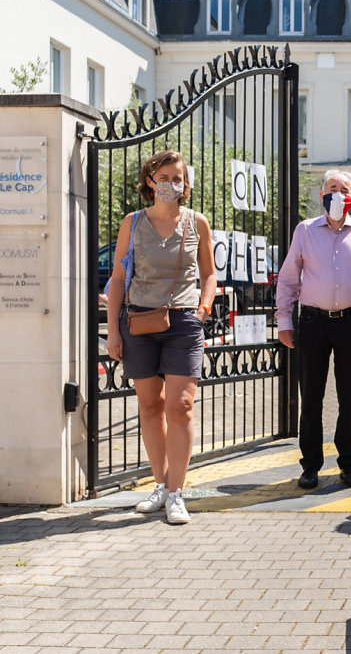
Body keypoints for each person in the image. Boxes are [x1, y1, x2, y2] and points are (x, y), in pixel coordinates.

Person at [106, 150, 216, 524]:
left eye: (178, 177)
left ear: (186, 182)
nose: (172, 183)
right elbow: (119, 278)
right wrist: (112, 331)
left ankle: (176, 493)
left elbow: (209, 274)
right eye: (164, 177)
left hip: (184, 323)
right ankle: (159, 484)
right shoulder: (133, 223)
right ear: (150, 182)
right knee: (151, 406)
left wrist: (202, 309)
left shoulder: (196, 222)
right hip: (139, 323)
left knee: (181, 405)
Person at [276, 169, 351, 491]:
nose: (338, 192)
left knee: (348, 398)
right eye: (332, 187)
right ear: (322, 193)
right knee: (311, 397)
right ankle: (310, 465)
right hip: (313, 322)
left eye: (344, 188)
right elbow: (288, 279)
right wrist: (284, 321)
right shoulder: (305, 230)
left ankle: (348, 464)